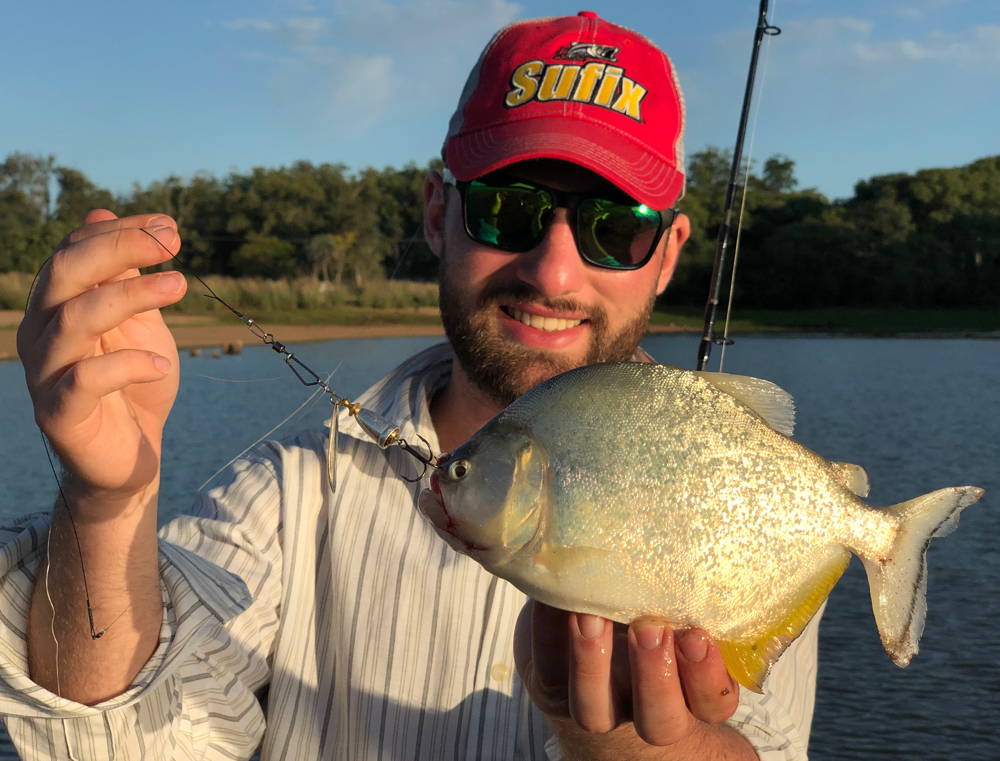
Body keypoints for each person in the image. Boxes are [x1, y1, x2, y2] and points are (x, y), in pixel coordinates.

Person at [1, 11, 822, 761]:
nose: (555, 270)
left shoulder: (753, 502)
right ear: (439, 212)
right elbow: (131, 745)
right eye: (508, 209)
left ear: (669, 254)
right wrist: (106, 508)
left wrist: (618, 741)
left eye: (615, 229)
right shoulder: (288, 498)